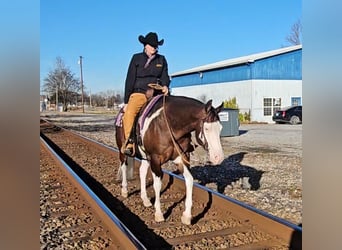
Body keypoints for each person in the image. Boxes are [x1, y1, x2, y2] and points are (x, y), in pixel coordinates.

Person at [121, 32, 170, 156]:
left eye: (156, 45)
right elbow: (130, 79)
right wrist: (126, 101)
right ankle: (130, 142)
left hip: (156, 94)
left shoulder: (161, 59)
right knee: (129, 113)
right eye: (152, 45)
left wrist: (165, 86)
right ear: (145, 45)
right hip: (139, 93)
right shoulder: (136, 58)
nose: (154, 47)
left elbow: (165, 76)